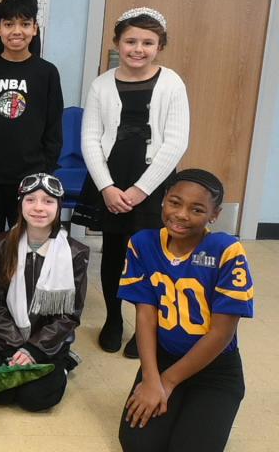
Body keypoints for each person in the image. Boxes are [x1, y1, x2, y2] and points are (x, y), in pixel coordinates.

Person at [117, 169, 253, 452]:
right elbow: (145, 316)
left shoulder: (227, 250)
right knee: (139, 445)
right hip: (163, 357)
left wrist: (168, 382)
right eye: (174, 202)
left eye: (197, 209)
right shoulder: (142, 243)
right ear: (163, 200)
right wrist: (151, 379)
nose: (181, 214)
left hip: (215, 369)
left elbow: (221, 334)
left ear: (214, 215)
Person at [81, 7, 189, 357]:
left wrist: (141, 190)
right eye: (130, 41)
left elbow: (175, 142)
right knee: (113, 252)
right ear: (117, 43)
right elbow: (90, 138)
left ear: (160, 46)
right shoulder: (101, 84)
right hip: (111, 179)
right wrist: (107, 187)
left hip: (152, 184)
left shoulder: (171, 83)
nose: (137, 49)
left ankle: (147, 326)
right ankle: (114, 319)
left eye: (147, 42)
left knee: (149, 255)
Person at [0, 0, 63, 283]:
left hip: (30, 176)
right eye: (9, 24)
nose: (17, 31)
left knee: (26, 239)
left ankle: (23, 294)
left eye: (24, 24)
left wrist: (44, 169)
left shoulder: (47, 73)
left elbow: (53, 126)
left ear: (35, 28)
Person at [0, 173, 89, 411]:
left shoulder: (74, 252)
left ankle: (63, 361)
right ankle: (1, 351)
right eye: (31, 200)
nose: (39, 208)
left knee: (36, 399)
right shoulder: (1, 244)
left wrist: (34, 349)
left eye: (48, 201)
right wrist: (13, 346)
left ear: (58, 207)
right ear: (20, 205)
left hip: (48, 341)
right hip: (9, 337)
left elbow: (70, 314)